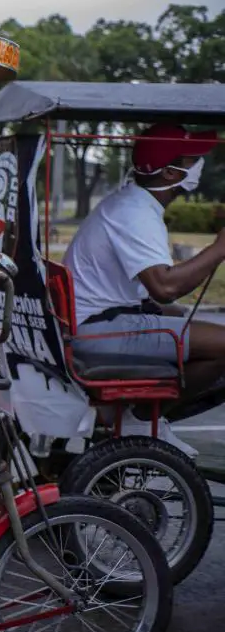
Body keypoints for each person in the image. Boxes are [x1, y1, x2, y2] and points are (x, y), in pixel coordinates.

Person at [63, 122, 225, 457]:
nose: (199, 164)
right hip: (97, 334)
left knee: (180, 318)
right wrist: (219, 248)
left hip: (96, 322)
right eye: (194, 159)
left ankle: (137, 417)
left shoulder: (133, 203)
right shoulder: (136, 213)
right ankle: (140, 419)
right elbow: (164, 286)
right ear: (170, 172)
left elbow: (159, 297)